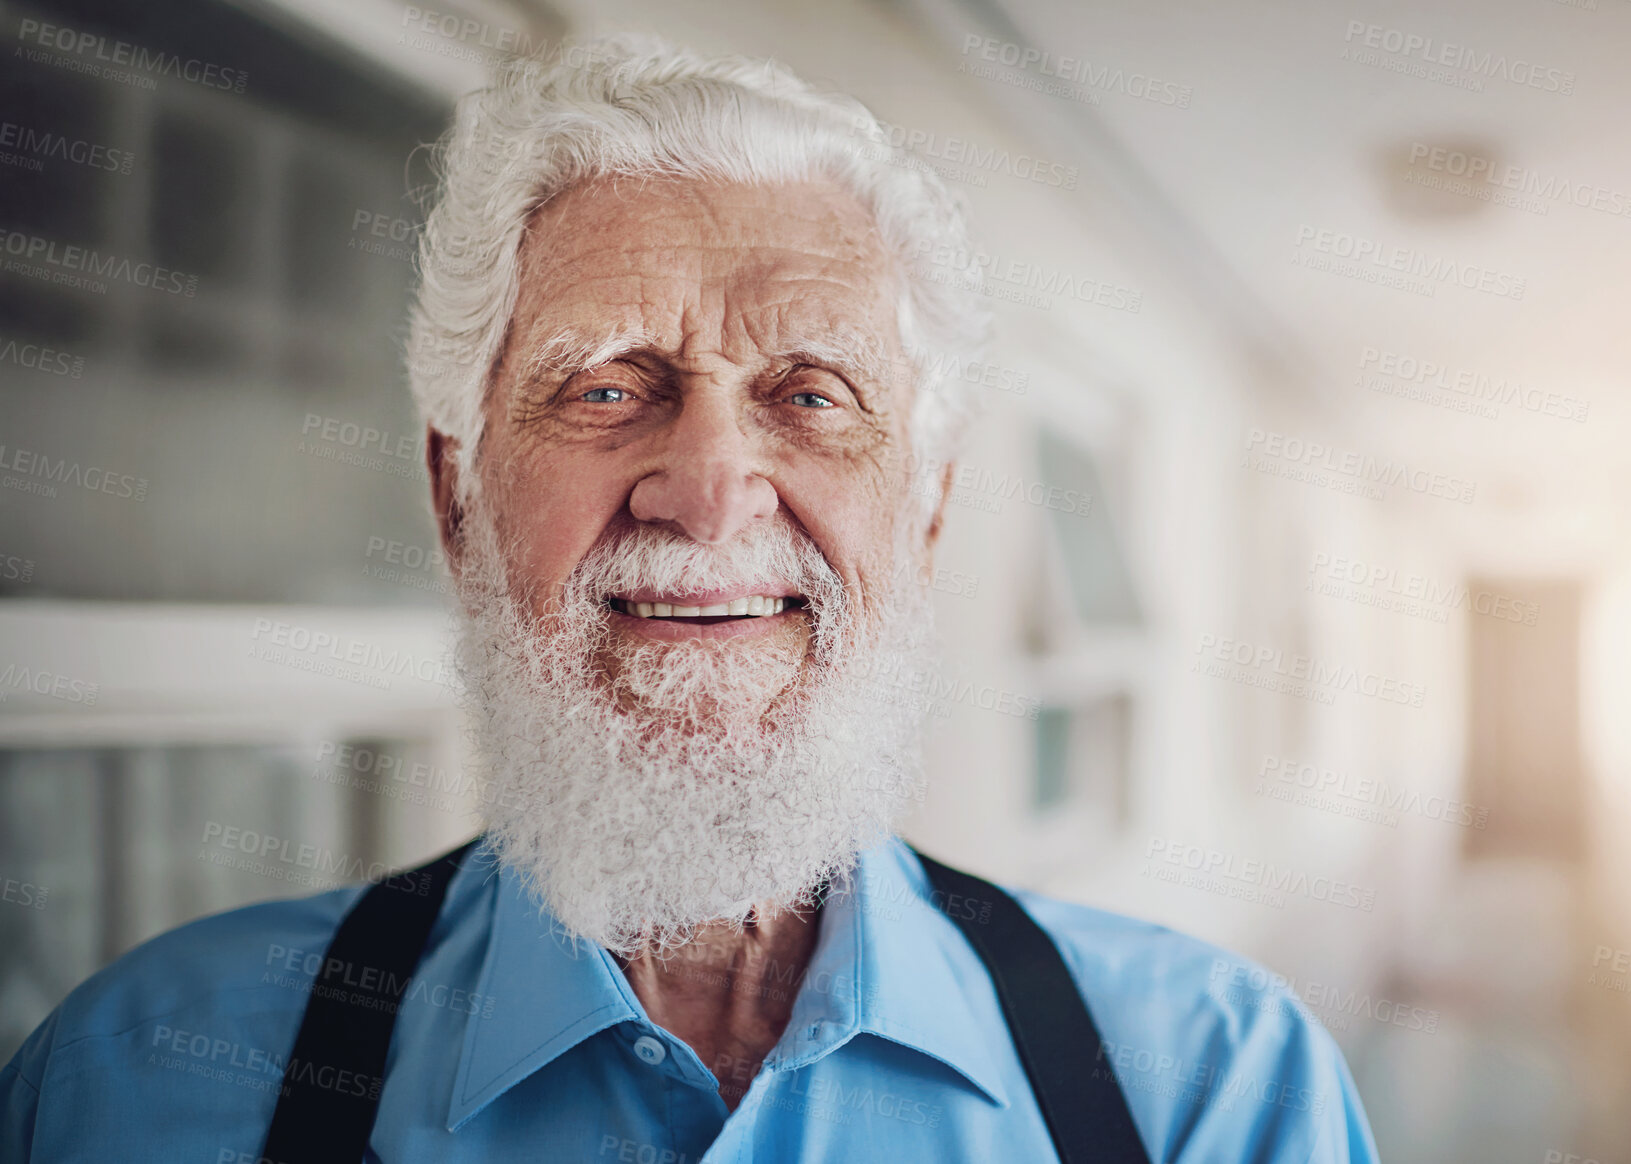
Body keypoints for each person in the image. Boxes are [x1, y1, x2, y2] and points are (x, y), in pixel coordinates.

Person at [0, 37, 1379, 1162]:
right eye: (605, 387)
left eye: (811, 396)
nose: (711, 492)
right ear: (455, 497)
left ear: (927, 511)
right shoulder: (131, 1088)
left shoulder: (1205, 1083)